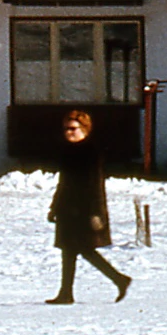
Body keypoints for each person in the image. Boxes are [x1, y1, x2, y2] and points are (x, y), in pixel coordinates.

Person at [46, 111, 131, 304]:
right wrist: (54, 207)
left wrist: (97, 213)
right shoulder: (68, 151)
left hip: (84, 210)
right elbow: (63, 183)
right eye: (66, 129)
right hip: (68, 209)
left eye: (73, 129)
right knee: (68, 251)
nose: (68, 132)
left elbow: (95, 185)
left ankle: (119, 279)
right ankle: (66, 293)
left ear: (84, 129)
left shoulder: (91, 152)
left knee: (84, 250)